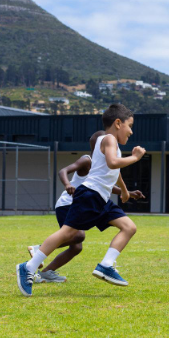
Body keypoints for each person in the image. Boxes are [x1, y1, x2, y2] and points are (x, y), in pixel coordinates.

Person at [16, 104, 146, 297]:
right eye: (130, 125)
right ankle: (28, 267)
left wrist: (125, 192)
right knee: (68, 233)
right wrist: (135, 157)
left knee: (129, 227)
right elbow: (113, 163)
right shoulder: (109, 138)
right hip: (90, 195)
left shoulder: (113, 144)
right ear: (118, 123)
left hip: (101, 198)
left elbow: (114, 171)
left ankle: (106, 265)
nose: (131, 131)